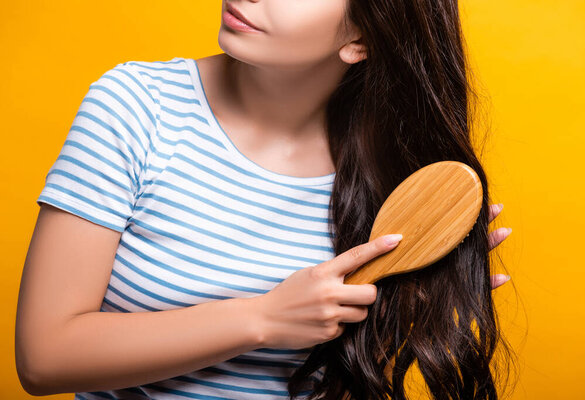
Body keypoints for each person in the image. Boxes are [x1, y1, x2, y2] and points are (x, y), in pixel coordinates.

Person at [16, 1, 512, 399]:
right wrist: (264, 318)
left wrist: (397, 315)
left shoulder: (388, 175)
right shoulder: (136, 106)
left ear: (361, 39)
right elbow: (44, 358)